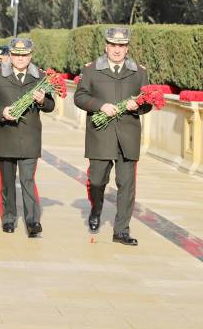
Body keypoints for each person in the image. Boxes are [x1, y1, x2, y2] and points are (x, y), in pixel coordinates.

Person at [74, 27, 152, 246]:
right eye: (113, 45)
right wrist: (100, 106)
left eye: (121, 46)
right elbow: (79, 97)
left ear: (127, 47)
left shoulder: (138, 71)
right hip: (100, 136)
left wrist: (137, 105)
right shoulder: (91, 70)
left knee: (126, 185)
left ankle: (121, 230)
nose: (117, 50)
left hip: (127, 136)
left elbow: (148, 103)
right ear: (106, 46)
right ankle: (96, 209)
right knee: (97, 180)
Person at [0, 38, 54, 236]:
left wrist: (42, 100)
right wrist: (2, 111)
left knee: (28, 180)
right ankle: (9, 218)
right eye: (16, 54)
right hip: (5, 136)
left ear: (30, 56)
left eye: (24, 55)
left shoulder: (40, 76)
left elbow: (50, 106)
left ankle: (32, 221)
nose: (20, 58)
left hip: (30, 137)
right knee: (7, 182)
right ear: (10, 56)